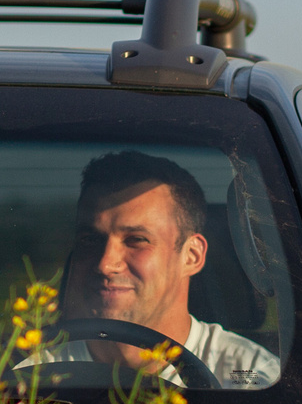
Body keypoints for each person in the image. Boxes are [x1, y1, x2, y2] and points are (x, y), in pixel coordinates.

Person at [23, 150, 280, 390]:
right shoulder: (26, 375)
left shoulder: (252, 382)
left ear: (191, 256)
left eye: (136, 240)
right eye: (90, 240)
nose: (105, 264)